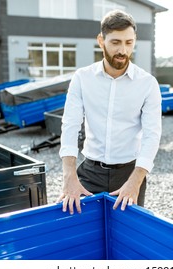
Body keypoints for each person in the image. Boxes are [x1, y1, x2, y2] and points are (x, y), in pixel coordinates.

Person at [56, 10, 162, 215]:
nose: (123, 50)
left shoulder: (148, 84)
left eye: (129, 42)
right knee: (81, 233)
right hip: (89, 173)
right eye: (115, 42)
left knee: (128, 237)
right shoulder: (82, 78)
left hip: (130, 174)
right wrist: (69, 177)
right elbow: (70, 125)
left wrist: (136, 181)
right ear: (101, 40)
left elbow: (152, 135)